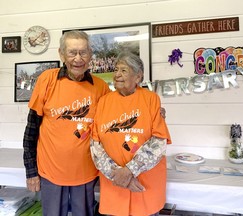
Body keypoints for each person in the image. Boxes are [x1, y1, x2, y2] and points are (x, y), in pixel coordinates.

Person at [23, 30, 110, 216]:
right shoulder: (47, 79)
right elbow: (31, 130)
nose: (78, 58)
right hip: (50, 173)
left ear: (90, 55)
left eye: (83, 52)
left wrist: (152, 112)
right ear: (62, 54)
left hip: (86, 173)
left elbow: (115, 119)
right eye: (72, 52)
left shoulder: (101, 87)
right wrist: (31, 171)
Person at [90, 51, 172, 216]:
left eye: (124, 70)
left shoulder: (151, 99)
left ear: (138, 76)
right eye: (116, 70)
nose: (117, 75)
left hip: (144, 186)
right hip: (115, 186)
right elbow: (95, 146)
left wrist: (128, 171)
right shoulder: (104, 101)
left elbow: (158, 142)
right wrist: (119, 177)